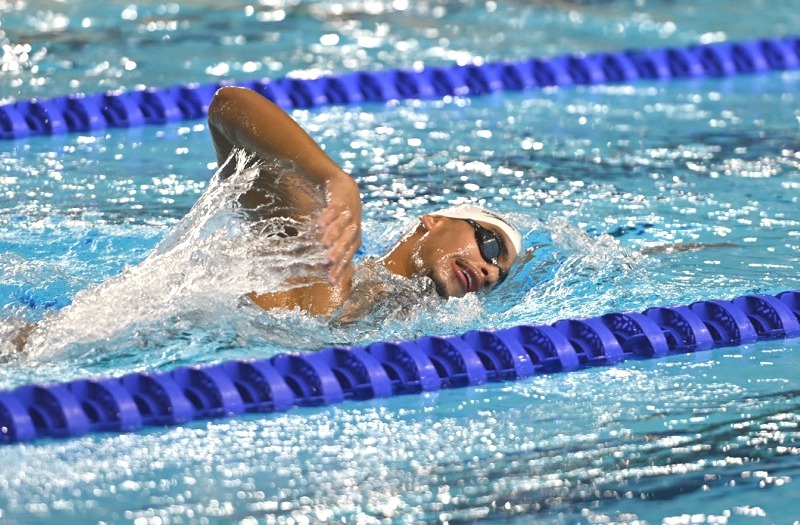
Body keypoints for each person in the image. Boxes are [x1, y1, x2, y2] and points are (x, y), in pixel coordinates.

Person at [206, 86, 522, 318]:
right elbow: (227, 105)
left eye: (500, 276)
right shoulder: (321, 256)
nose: (490, 272)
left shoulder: (390, 327)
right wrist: (334, 179)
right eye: (492, 247)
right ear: (433, 221)